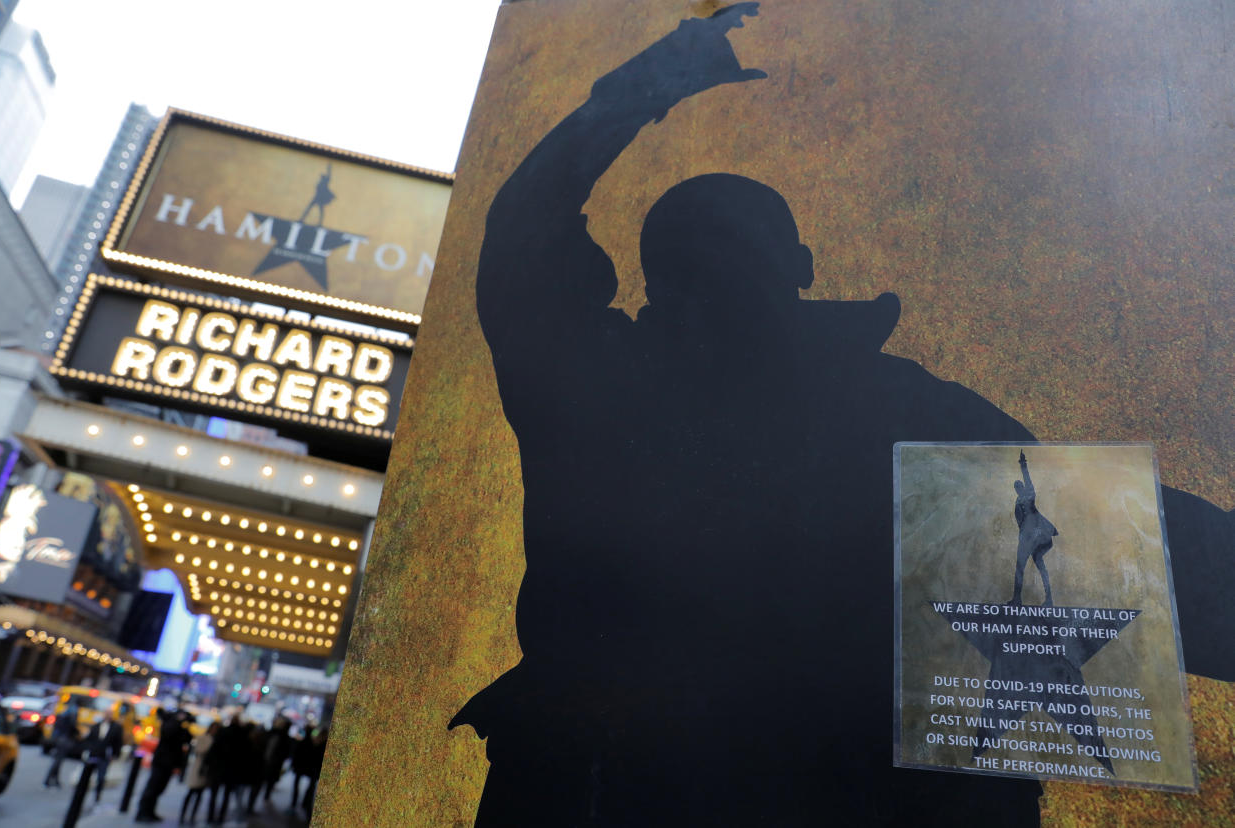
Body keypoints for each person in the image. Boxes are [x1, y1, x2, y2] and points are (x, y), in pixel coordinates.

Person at [454, 4, 1235, 826]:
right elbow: (1146, 551)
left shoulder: (600, 385)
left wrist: (644, 87)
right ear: (800, 265)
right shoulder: (894, 410)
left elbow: (523, 240)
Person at [1011, 451, 1059, 605]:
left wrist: (1023, 464)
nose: (1018, 487)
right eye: (1016, 486)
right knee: (1019, 567)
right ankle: (1017, 599)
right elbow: (1020, 523)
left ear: (1023, 486)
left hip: (1039, 537)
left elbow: (1027, 477)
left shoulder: (1029, 494)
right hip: (1025, 538)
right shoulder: (1018, 502)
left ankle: (1049, 598)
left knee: (1039, 563)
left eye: (1019, 485)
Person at [135, 709, 192, 823]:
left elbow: (187, 738)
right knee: (152, 788)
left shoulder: (177, 725)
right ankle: (142, 813)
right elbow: (173, 735)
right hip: (162, 762)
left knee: (158, 789)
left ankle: (149, 812)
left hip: (167, 763)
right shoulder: (171, 724)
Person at [80, 710, 124, 802]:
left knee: (101, 777)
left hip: (105, 756)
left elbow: (118, 742)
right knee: (87, 775)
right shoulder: (96, 726)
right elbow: (89, 739)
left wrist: (115, 755)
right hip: (93, 753)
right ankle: (82, 794)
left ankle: (97, 795)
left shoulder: (116, 727)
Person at [180, 721, 218, 825]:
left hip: (206, 769)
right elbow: (199, 750)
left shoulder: (214, 739)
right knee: (191, 792)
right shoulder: (204, 738)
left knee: (199, 795)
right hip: (198, 768)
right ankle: (183, 816)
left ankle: (192, 816)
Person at [43, 698, 79, 788]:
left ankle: (55, 780)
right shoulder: (73, 711)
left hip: (60, 738)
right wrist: (77, 734)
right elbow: (72, 726)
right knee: (58, 760)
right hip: (64, 739)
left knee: (59, 760)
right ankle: (48, 780)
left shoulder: (66, 711)